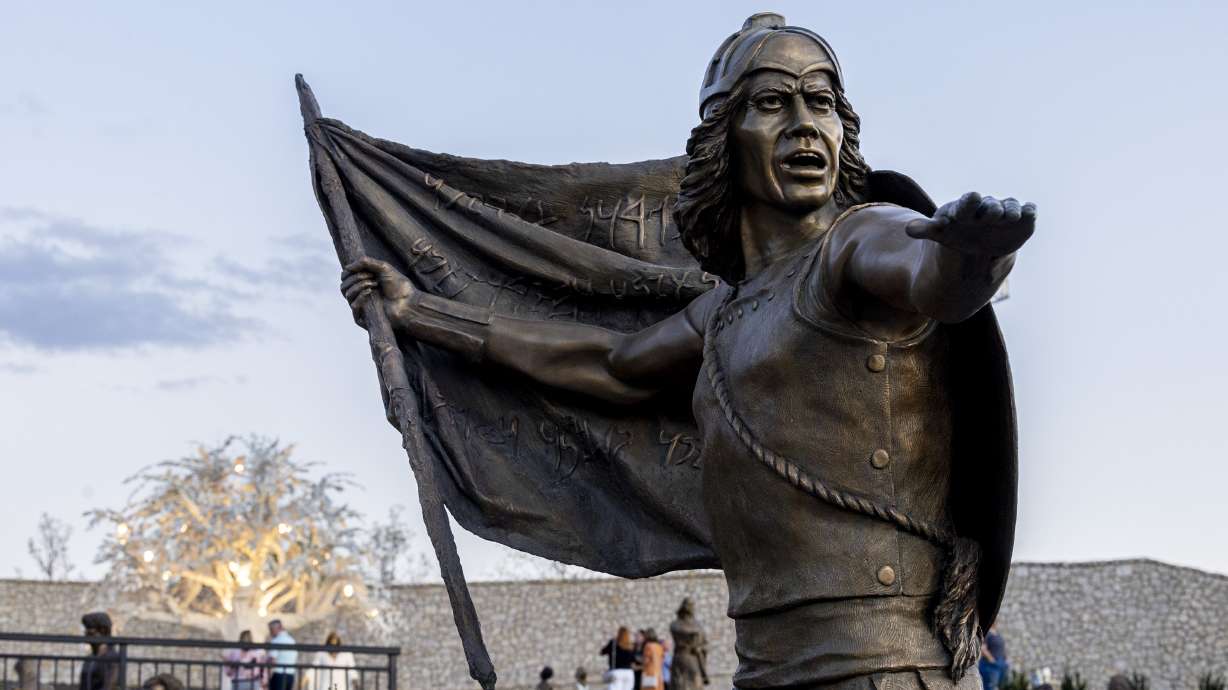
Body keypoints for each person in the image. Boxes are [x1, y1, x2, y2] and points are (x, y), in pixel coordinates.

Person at [335, 12, 1031, 689]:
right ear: (724, 140)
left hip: (883, 670)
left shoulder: (859, 238)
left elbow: (926, 275)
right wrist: (419, 312)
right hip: (770, 670)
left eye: (821, 102)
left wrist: (969, 262)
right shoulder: (723, 314)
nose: (804, 123)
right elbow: (608, 364)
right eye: (771, 102)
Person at [668, 600, 708, 690]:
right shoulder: (676, 625)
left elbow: (704, 643)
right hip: (681, 658)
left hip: (692, 658)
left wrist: (699, 648)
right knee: (679, 683)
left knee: (694, 683)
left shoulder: (697, 626)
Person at [78, 612, 119, 690]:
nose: (86, 633)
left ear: (103, 631)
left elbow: (110, 685)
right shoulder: (89, 658)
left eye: (90, 629)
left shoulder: (112, 657)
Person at [266, 620, 298, 690]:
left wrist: (267, 679)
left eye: (271, 629)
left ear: (278, 628)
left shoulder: (276, 641)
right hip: (290, 676)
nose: (270, 632)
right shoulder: (292, 641)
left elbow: (272, 661)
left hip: (278, 675)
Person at [978, 626, 1009, 690]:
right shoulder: (986, 632)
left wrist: (1005, 659)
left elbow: (1002, 648)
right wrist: (992, 660)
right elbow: (983, 648)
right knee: (990, 686)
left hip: (1000, 663)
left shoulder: (997, 633)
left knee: (998, 686)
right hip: (990, 665)